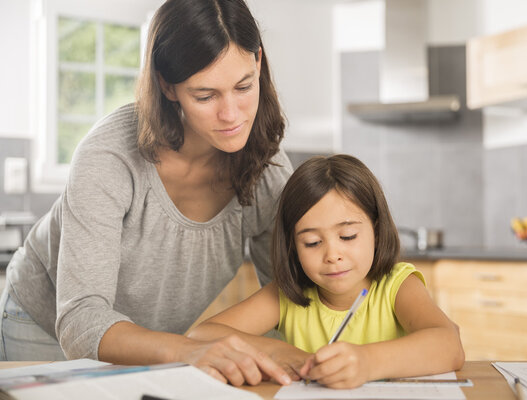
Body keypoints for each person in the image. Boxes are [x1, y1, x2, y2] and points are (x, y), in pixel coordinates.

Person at [0, 0, 301, 387]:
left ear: (258, 63)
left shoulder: (267, 165)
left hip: (158, 343)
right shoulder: (109, 155)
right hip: (43, 327)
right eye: (206, 96)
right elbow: (80, 320)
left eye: (243, 86)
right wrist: (190, 351)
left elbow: (290, 291)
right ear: (166, 85)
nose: (232, 115)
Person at [187, 154, 465, 389]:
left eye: (347, 236)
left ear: (377, 232)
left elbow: (449, 345)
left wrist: (367, 363)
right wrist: (280, 351)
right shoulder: (287, 294)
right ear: (293, 246)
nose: (332, 255)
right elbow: (201, 335)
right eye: (312, 243)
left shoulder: (397, 285)